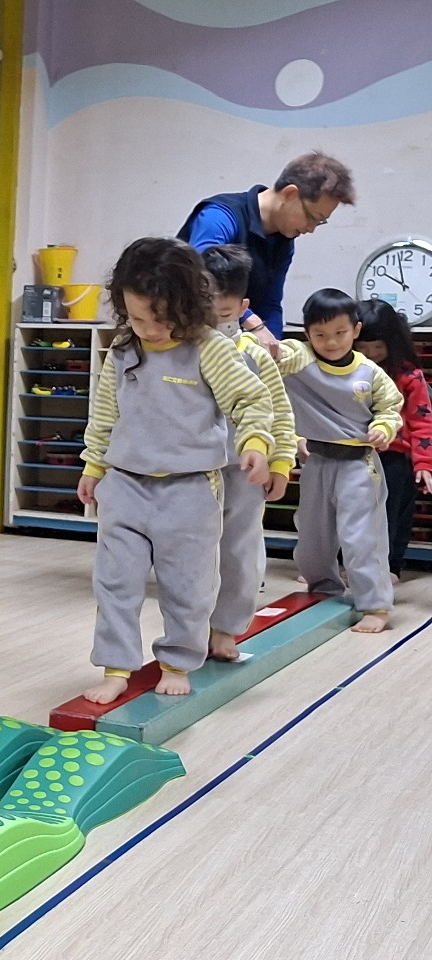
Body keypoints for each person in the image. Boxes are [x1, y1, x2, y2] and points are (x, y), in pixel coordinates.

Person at [78, 237, 272, 706]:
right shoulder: (124, 348)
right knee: (115, 581)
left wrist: (255, 443)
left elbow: (250, 399)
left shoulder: (210, 349)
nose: (148, 329)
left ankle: (177, 661)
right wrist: (93, 464)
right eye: (136, 317)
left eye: (160, 319)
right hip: (125, 483)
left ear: (188, 306)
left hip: (190, 489)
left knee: (187, 584)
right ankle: (116, 666)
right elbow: (105, 412)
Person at [277, 290, 402, 633]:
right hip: (316, 461)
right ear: (307, 333)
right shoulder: (300, 358)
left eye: (340, 333)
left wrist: (383, 427)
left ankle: (376, 605)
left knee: (362, 537)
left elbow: (391, 408)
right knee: (312, 538)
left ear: (356, 330)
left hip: (358, 464)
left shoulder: (370, 373)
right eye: (320, 334)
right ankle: (322, 590)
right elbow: (273, 354)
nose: (330, 342)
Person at [201, 245, 296, 661]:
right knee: (193, 554)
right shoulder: (183, 350)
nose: (213, 324)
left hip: (243, 471)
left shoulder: (254, 354)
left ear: (242, 308)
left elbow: (280, 412)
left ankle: (226, 629)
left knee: (240, 552)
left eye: (223, 314)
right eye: (203, 314)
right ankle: (191, 628)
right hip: (193, 470)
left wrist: (281, 462)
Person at [177, 151, 355, 339]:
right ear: (290, 194)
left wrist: (273, 345)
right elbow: (203, 279)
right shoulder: (219, 217)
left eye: (319, 222)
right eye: (312, 217)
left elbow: (270, 304)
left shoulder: (283, 240)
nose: (311, 229)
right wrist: (253, 322)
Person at [354, 299, 432, 581]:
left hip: (395, 458)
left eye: (378, 347)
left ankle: (390, 566)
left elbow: (422, 421)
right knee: (353, 512)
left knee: (393, 513)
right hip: (354, 453)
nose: (371, 355)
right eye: (363, 348)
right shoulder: (350, 369)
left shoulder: (409, 376)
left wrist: (424, 464)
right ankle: (348, 563)